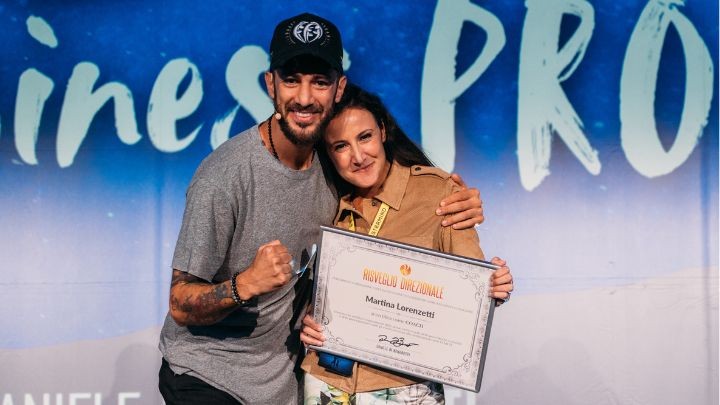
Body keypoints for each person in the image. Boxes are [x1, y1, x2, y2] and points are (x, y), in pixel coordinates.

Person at [157, 13, 486, 405]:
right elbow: (180, 303)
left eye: (319, 81)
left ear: (338, 88)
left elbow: (398, 203)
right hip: (209, 376)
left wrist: (455, 204)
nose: (304, 97)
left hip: (285, 384)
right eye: (291, 79)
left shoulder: (335, 164)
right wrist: (243, 284)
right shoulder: (223, 177)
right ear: (270, 84)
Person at [299, 83, 514, 404]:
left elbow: (472, 288)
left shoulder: (438, 193)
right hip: (326, 379)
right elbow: (305, 288)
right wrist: (307, 318)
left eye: (365, 137)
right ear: (328, 153)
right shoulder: (322, 199)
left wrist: (494, 285)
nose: (358, 156)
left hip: (402, 384)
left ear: (383, 131)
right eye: (341, 146)